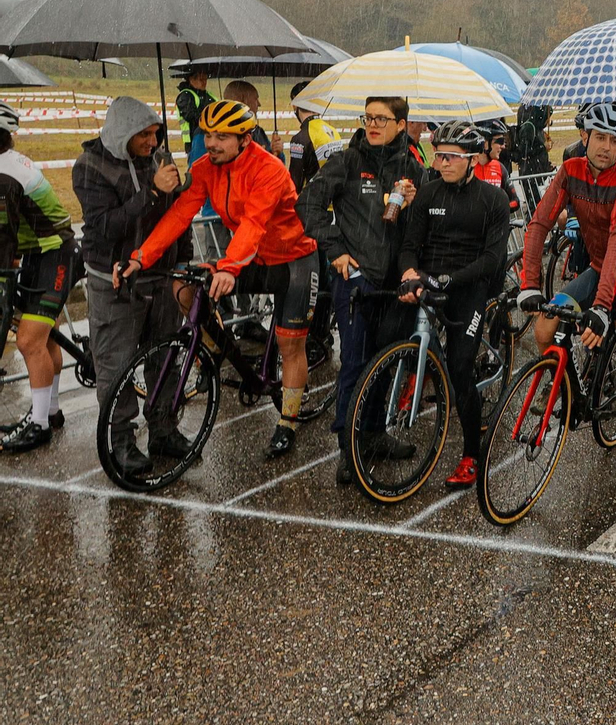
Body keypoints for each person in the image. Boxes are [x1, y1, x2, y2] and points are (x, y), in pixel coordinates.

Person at [118, 100, 319, 458]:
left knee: (290, 345)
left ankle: (287, 421)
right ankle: (216, 348)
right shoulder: (205, 168)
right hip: (252, 258)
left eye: (222, 137)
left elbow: (254, 223)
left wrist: (228, 267)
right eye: (208, 134)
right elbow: (179, 215)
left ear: (245, 140)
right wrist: (140, 257)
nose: (211, 143)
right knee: (184, 287)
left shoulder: (269, 169)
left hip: (293, 260)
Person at [519, 103, 616, 490]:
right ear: (584, 137)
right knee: (545, 327)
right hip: (601, 267)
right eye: (600, 137)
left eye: (615, 141)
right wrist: (529, 283)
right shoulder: (570, 170)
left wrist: (601, 308)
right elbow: (539, 223)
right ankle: (564, 385)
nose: (606, 147)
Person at [298, 95, 425, 485]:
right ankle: (347, 447)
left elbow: (420, 228)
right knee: (354, 364)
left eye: (381, 119)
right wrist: (335, 250)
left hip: (394, 285)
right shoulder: (347, 161)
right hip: (356, 281)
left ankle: (373, 434)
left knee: (385, 361)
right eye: (368, 117)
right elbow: (308, 204)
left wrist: (415, 203)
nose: (372, 124)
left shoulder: (411, 167)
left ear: (400, 125)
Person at [60, 98, 188, 470]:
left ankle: (163, 428)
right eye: (144, 135)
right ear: (123, 132)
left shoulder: (159, 158)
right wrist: (152, 192)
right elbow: (106, 226)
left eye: (156, 133)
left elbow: (178, 216)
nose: (152, 142)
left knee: (165, 358)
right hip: (113, 282)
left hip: (161, 277)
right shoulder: (89, 166)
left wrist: (182, 263)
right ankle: (121, 441)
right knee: (115, 366)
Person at [396, 122, 510, 486]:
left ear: (473, 160)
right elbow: (409, 244)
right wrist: (409, 271)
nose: (442, 162)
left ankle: (471, 455)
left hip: (470, 286)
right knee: (396, 333)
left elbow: (492, 259)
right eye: (438, 155)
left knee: (461, 368)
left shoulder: (492, 199)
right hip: (431, 278)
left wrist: (452, 279)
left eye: (451, 157)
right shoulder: (429, 194)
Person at [0, 105, 77, 453]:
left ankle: (40, 425)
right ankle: (51, 410)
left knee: (30, 341)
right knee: (45, 341)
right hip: (40, 252)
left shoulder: (4, 176)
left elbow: (4, 238)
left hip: (55, 254)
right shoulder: (8, 163)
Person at [286, 80, 344, 191]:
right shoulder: (333, 131)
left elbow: (294, 184)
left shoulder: (300, 138)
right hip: (336, 196)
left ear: (295, 105)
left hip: (314, 197)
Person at [222, 80, 284, 157]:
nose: (259, 104)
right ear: (242, 101)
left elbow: (272, 161)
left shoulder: (258, 132)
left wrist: (276, 152)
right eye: (255, 99)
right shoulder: (220, 135)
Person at [174, 67, 215, 174]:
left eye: (205, 79)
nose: (204, 82)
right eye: (201, 79)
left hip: (213, 140)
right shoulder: (185, 96)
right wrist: (210, 119)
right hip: (194, 141)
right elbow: (190, 115)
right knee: (196, 172)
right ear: (191, 79)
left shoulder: (211, 96)